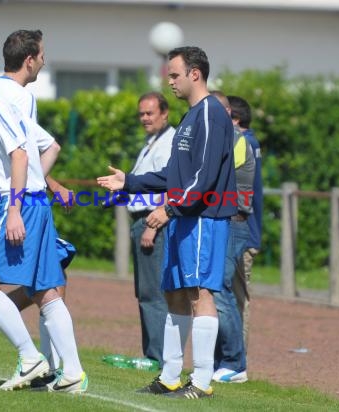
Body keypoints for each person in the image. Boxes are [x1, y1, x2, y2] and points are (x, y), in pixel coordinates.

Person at [0, 42, 87, 393]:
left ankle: (30, 359)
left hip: (20, 204)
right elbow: (34, 150)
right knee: (46, 292)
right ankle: (72, 374)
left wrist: (12, 211)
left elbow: (21, 156)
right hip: (32, 202)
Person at [98, 46, 237, 400]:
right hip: (184, 218)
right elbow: (173, 176)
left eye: (174, 74)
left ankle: (203, 381)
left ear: (195, 74)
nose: (169, 81)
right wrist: (129, 181)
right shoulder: (190, 117)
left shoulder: (209, 114)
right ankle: (171, 376)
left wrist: (171, 210)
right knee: (175, 294)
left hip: (202, 218)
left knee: (200, 294)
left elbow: (203, 177)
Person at [209, 91, 255, 383]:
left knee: (221, 291)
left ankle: (235, 364)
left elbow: (212, 175)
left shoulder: (236, 140)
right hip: (224, 222)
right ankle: (220, 362)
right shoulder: (226, 138)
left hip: (233, 222)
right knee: (214, 291)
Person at [127, 92, 174, 366]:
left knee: (153, 293)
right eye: (141, 113)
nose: (144, 118)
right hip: (143, 219)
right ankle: (154, 353)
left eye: (150, 113)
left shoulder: (168, 142)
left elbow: (170, 185)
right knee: (145, 292)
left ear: (165, 113)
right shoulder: (152, 142)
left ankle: (157, 357)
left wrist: (152, 226)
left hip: (152, 222)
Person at [228, 95, 263, 352]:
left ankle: (237, 360)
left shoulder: (244, 144)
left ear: (235, 119)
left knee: (238, 299)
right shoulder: (251, 143)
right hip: (248, 231)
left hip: (244, 231)